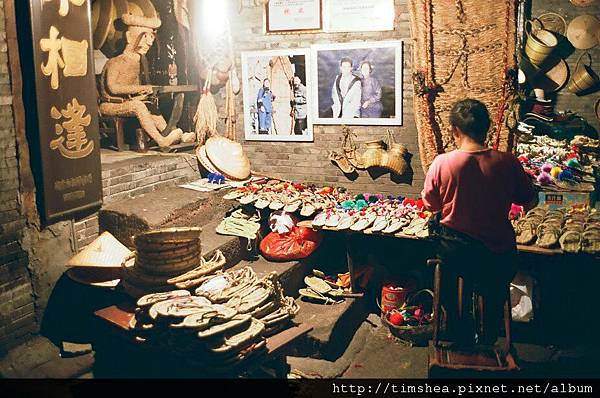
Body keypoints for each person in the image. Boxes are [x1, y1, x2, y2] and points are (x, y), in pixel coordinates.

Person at [421, 99, 538, 346]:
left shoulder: (443, 162)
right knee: (495, 288)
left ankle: (455, 329)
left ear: (454, 131)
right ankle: (488, 336)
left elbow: (431, 205)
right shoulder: (508, 162)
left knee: (448, 281)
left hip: (455, 252)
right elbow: (529, 201)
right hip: (497, 253)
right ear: (487, 129)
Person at [99, 14, 195, 148]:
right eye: (144, 38)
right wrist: (141, 89)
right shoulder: (116, 62)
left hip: (126, 101)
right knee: (138, 106)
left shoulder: (137, 62)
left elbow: (132, 89)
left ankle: (173, 134)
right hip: (109, 105)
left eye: (151, 39)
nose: (149, 43)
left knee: (149, 104)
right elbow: (113, 88)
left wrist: (144, 94)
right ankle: (162, 141)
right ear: (129, 37)